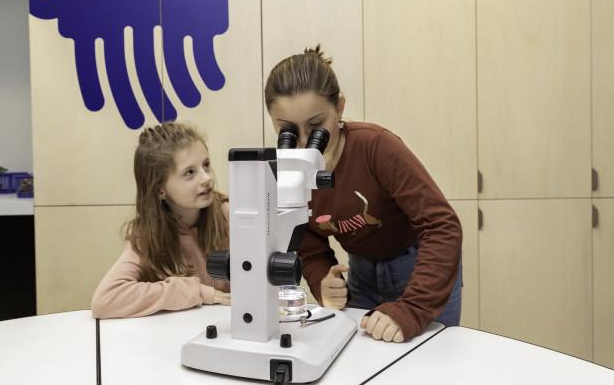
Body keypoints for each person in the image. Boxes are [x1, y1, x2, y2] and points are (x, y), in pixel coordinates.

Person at [264, 45, 463, 343]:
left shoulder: (376, 148)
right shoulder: (286, 166)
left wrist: (412, 308)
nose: (304, 142)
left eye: (316, 126)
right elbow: (308, 239)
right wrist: (321, 282)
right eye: (289, 131)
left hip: (419, 269)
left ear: (340, 107)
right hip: (361, 274)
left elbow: (443, 226)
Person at [91, 122, 231, 318]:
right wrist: (195, 292)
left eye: (206, 165)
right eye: (189, 172)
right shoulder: (150, 234)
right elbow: (105, 300)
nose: (206, 178)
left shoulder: (229, 215)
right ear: (160, 189)